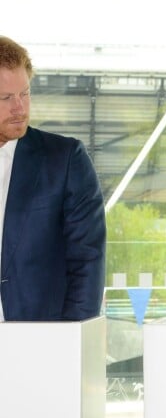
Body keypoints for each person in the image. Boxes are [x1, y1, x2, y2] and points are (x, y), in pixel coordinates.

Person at [0, 35, 106, 321]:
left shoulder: (66, 159)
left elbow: (87, 262)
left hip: (42, 341)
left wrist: (70, 341)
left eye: (25, 93)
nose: (19, 108)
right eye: (6, 97)